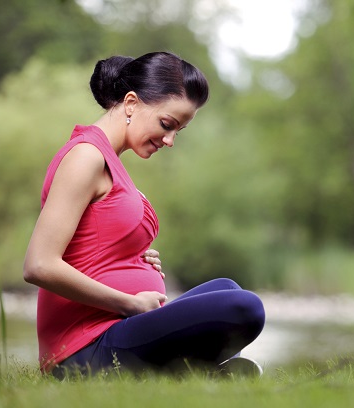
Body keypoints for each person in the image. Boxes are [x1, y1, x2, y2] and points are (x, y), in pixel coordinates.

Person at [23, 51, 266, 378]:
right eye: (167, 124)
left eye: (178, 131)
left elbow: (91, 242)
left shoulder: (108, 159)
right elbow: (39, 265)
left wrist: (131, 257)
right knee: (244, 308)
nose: (169, 140)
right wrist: (130, 302)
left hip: (118, 327)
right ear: (132, 103)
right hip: (84, 348)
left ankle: (194, 375)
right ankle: (197, 373)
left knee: (228, 288)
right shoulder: (86, 157)